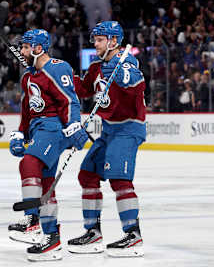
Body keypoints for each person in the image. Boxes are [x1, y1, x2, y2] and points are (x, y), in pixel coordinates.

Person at [7, 29, 89, 261]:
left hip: (54, 128)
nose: (21, 52)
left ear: (38, 48)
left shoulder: (57, 67)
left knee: (29, 164)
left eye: (25, 47)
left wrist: (74, 125)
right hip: (38, 129)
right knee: (45, 184)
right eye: (21, 47)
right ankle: (51, 239)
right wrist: (19, 134)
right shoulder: (28, 77)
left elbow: (69, 99)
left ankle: (32, 220)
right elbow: (27, 110)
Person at [69, 21, 146, 257]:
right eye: (95, 39)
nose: (95, 44)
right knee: (87, 174)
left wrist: (120, 72)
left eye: (100, 40)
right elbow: (82, 89)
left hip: (128, 128)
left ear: (113, 41)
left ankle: (133, 235)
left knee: (119, 179)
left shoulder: (126, 61)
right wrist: (60, 73)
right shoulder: (96, 67)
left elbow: (136, 83)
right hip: (109, 130)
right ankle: (93, 232)